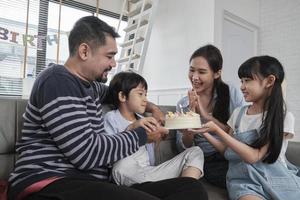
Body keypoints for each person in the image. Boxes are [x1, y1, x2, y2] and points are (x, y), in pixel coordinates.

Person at [8, 16, 208, 200]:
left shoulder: (91, 87)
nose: (114, 64)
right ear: (84, 51)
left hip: (92, 185)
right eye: (110, 56)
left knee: (192, 189)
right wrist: (141, 135)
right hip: (51, 182)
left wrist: (152, 107)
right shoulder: (58, 80)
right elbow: (86, 153)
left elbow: (121, 94)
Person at [191, 55, 300, 200]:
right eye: (241, 81)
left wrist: (216, 130)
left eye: (247, 81)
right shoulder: (238, 114)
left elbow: (254, 156)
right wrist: (204, 132)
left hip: (276, 179)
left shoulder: (283, 117)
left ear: (269, 81)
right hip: (244, 183)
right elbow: (227, 151)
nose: (242, 86)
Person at [104, 71, 204, 186]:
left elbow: (151, 153)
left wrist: (160, 136)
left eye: (146, 95)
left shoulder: (145, 119)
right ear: (122, 96)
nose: (145, 99)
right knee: (121, 166)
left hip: (150, 173)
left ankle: (184, 189)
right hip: (126, 171)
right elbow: (108, 154)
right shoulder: (112, 118)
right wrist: (131, 128)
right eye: (140, 94)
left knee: (196, 151)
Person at [176, 44, 245, 188]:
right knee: (243, 180)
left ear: (216, 73)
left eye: (201, 72)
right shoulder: (183, 104)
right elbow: (185, 148)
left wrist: (205, 115)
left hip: (234, 152)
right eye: (191, 70)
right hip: (210, 160)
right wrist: (190, 123)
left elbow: (241, 133)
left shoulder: (231, 92)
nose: (194, 77)